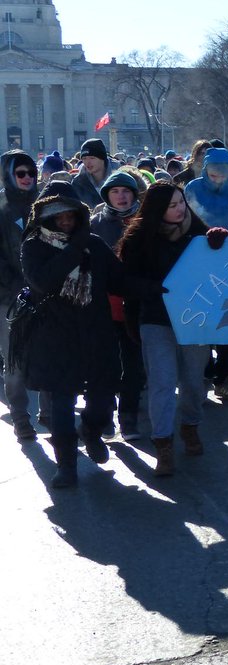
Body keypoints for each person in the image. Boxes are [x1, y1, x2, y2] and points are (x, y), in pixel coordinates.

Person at [18, 182, 148, 487]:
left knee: (102, 398)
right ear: (45, 218)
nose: (65, 222)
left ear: (79, 216)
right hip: (54, 337)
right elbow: (44, 282)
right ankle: (66, 465)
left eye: (70, 217)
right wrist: (75, 248)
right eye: (58, 218)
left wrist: (154, 289)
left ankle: (91, 430)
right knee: (61, 402)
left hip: (96, 333)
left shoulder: (95, 244)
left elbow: (118, 280)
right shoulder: (34, 245)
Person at [117, 182, 219, 476]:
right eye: (171, 205)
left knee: (192, 381)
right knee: (162, 382)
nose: (179, 210)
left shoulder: (198, 233)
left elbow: (223, 265)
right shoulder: (138, 239)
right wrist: (155, 290)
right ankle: (162, 443)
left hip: (194, 320)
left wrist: (219, 239)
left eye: (181, 203)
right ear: (156, 209)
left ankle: (190, 425)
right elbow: (127, 282)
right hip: (155, 318)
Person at [184, 147, 228, 401]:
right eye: (213, 171)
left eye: (223, 171)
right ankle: (201, 373)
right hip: (201, 257)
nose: (218, 176)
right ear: (205, 169)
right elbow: (185, 219)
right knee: (202, 319)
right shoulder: (192, 188)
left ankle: (225, 378)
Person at [89, 170, 148, 440]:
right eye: (115, 191)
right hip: (103, 306)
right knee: (105, 366)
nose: (121, 196)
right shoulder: (94, 224)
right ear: (107, 195)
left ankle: (128, 419)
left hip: (135, 305)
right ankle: (106, 418)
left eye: (126, 191)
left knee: (134, 367)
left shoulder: (145, 222)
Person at [1, 150, 41, 440]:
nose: (27, 178)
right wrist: (15, 285)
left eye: (31, 173)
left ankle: (51, 413)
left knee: (47, 354)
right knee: (13, 360)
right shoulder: (1, 208)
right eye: (20, 173)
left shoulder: (44, 203)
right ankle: (20, 416)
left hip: (44, 292)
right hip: (8, 296)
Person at [71, 138, 112, 209]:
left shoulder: (118, 179)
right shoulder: (77, 183)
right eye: (84, 158)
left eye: (92, 158)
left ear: (102, 158)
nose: (88, 162)